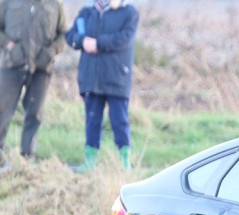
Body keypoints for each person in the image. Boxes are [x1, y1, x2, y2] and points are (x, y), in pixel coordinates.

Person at [64, 0, 138, 172]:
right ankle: (89, 163)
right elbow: (70, 35)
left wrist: (98, 44)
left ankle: (124, 163)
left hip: (117, 76)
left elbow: (125, 38)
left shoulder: (129, 12)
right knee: (92, 120)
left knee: (119, 120)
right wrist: (82, 41)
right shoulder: (87, 12)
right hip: (91, 77)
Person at [0, 0, 66, 171]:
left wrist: (51, 51)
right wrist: (8, 45)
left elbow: (63, 34)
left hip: (41, 68)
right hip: (12, 65)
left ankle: (27, 159)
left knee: (35, 113)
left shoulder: (55, 4)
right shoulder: (8, 2)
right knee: (2, 111)